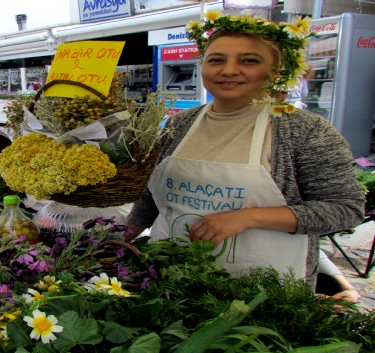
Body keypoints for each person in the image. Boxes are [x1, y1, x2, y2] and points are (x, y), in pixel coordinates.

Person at [124, 12, 364, 289]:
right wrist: (123, 236)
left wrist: (247, 217)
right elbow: (153, 196)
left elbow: (345, 208)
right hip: (171, 278)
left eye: (249, 60)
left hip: (265, 291)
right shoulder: (180, 124)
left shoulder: (305, 131)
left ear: (276, 72)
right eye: (216, 60)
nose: (228, 70)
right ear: (202, 67)